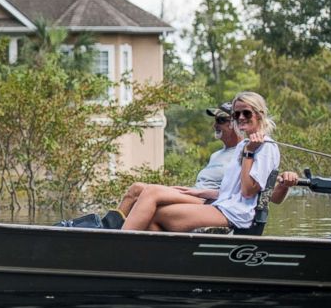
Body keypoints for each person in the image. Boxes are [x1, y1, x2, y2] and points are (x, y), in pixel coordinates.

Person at [122, 91, 280, 232]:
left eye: (246, 113)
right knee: (149, 213)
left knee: (154, 204)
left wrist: (250, 153)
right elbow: (231, 191)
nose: (240, 118)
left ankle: (116, 245)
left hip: (235, 214)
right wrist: (200, 192)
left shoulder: (265, 147)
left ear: (259, 114)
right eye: (236, 114)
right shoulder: (244, 145)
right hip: (222, 205)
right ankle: (156, 259)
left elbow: (248, 192)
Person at [103, 102, 242, 229]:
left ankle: (119, 242)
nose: (215, 125)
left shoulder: (243, 152)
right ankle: (106, 229)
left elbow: (238, 192)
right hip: (194, 193)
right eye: (215, 121)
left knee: (152, 192)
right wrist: (192, 190)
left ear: (234, 123)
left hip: (209, 202)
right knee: (136, 188)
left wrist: (200, 192)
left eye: (220, 120)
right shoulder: (217, 155)